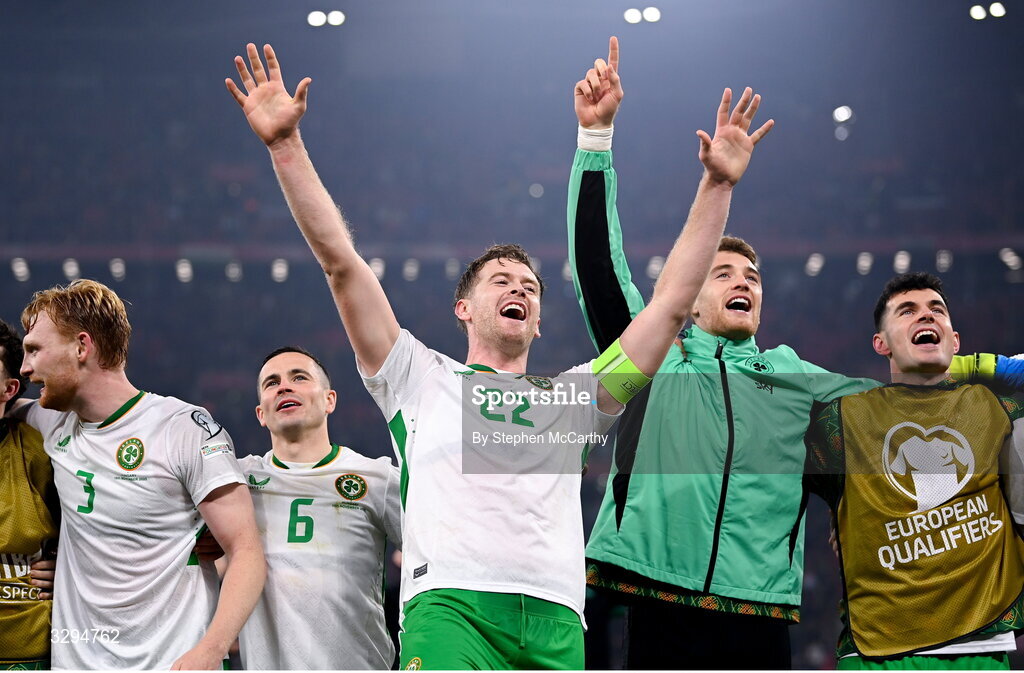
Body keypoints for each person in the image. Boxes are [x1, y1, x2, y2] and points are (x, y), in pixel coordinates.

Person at [226, 39, 771, 669]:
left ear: (538, 323)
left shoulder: (576, 400)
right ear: (463, 308)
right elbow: (342, 266)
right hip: (450, 608)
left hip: (557, 616)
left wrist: (717, 183)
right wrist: (284, 146)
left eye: (532, 287)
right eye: (501, 281)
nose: (520, 289)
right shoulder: (416, 377)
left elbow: (672, 305)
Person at [567, 38, 1023, 669]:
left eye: (753, 276)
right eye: (723, 273)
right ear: (689, 301)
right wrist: (595, 142)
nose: (744, 282)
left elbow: (900, 407)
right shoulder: (656, 359)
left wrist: (976, 368)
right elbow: (597, 264)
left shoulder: (797, 378)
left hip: (761, 617)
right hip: (655, 599)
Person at [13, 279, 265, 670]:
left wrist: (212, 649)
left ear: (82, 347)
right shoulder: (48, 421)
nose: (25, 368)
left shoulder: (183, 428)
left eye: (34, 350)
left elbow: (246, 553)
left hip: (171, 662)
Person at [804, 272, 1024, 669]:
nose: (925, 316)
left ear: (955, 341)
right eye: (907, 311)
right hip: (876, 653)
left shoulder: (997, 407)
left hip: (980, 647)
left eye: (936, 310)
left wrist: (986, 367)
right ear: (881, 343)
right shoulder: (843, 419)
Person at [236, 345, 401, 669]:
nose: (284, 386)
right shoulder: (236, 482)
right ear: (261, 413)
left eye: (299, 377)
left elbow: (437, 545)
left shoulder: (378, 478)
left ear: (330, 400)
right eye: (271, 383)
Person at [0, 319, 58, 670]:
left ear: (8, 390)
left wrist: (68, 567)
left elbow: (93, 531)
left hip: (31, 654)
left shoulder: (41, 451)